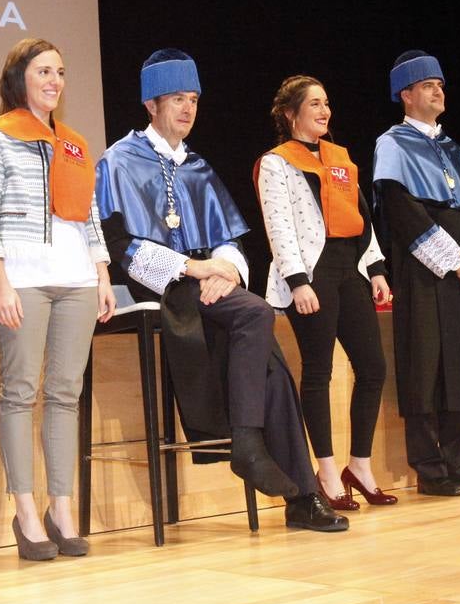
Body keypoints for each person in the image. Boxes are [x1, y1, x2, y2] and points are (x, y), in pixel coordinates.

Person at [95, 49, 345, 532]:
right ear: (151, 104)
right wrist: (192, 268)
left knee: (274, 368)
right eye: (176, 100)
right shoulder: (119, 161)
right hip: (156, 287)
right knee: (256, 317)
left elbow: (230, 241)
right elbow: (119, 245)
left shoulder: (198, 168)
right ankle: (251, 447)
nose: (187, 109)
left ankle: (298, 494)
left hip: (207, 291)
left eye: (193, 100)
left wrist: (224, 269)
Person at [0, 38, 116, 561]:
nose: (54, 81)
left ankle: (62, 509)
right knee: (19, 392)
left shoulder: (74, 143)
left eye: (60, 71)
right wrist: (0, 280)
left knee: (64, 395)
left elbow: (91, 216)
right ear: (19, 78)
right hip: (23, 278)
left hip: (76, 278)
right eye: (43, 71)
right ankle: (26, 512)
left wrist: (101, 275)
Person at [372, 51, 460, 496]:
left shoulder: (452, 147)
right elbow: (400, 207)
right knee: (426, 365)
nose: (438, 91)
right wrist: (452, 258)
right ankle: (429, 467)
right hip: (424, 271)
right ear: (407, 95)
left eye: (441, 84)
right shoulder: (392, 143)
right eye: (428, 85)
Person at [255, 76, 397, 512]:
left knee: (372, 367)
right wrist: (298, 281)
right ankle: (328, 471)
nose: (324, 111)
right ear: (289, 114)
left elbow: (361, 218)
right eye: (313, 104)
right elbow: (278, 226)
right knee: (318, 372)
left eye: (326, 103)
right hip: (311, 274)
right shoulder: (277, 163)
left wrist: (375, 269)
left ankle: (360, 464)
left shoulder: (340, 158)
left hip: (349, 269)